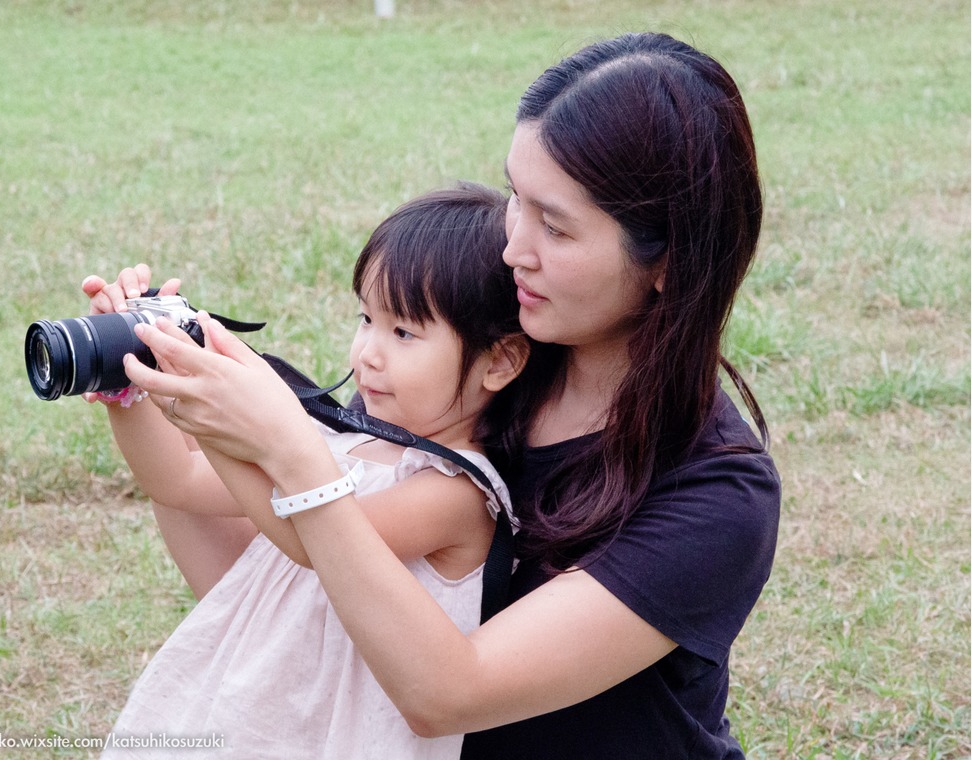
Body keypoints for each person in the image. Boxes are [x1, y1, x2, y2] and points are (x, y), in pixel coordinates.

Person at [122, 31, 782, 758]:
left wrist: (284, 448)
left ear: (670, 262)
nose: (512, 250)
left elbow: (448, 693)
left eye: (555, 226)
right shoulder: (480, 369)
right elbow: (276, 588)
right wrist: (162, 391)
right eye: (516, 200)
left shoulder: (716, 498)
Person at [86, 183, 531, 758]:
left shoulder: (458, 490)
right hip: (248, 712)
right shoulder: (336, 444)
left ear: (500, 360)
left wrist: (232, 424)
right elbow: (175, 482)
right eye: (366, 319)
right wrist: (131, 373)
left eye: (404, 333)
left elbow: (310, 535)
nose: (367, 352)